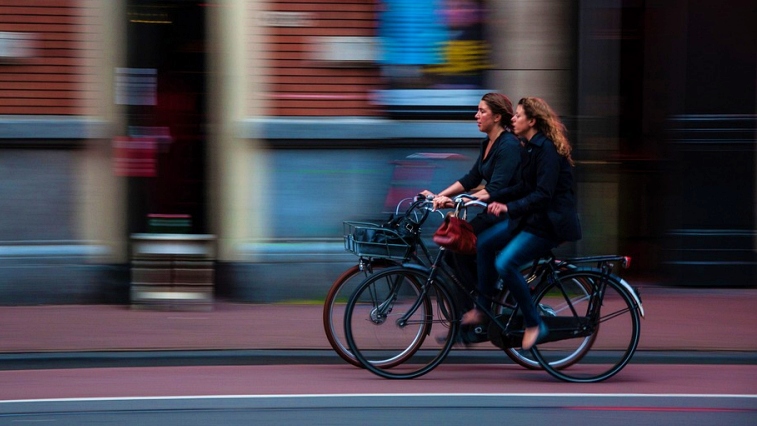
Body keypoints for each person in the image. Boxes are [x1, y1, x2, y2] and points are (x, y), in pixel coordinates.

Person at [462, 97, 582, 351]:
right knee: (483, 243)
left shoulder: (547, 150)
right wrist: (491, 197)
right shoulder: (529, 147)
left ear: (532, 121)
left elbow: (543, 194)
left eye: (518, 116)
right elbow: (522, 186)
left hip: (549, 225)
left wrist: (508, 207)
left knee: (505, 263)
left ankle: (535, 323)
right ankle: (483, 309)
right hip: (530, 219)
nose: (512, 120)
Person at [420, 92, 522, 307]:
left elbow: (496, 188)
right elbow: (472, 178)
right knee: (454, 252)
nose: (476, 115)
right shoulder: (487, 143)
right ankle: (474, 309)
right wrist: (441, 195)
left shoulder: (509, 145)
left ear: (496, 117)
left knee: (461, 247)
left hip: (507, 214)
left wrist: (460, 202)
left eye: (482, 111)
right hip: (491, 213)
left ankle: (483, 305)